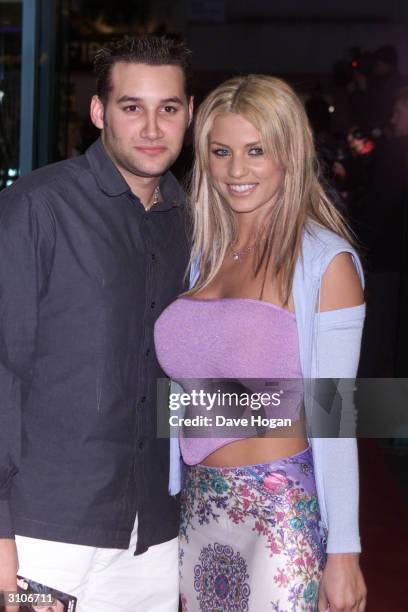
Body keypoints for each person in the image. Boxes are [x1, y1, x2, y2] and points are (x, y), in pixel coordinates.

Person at [154, 75, 367, 610]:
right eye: (221, 152)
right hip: (199, 510)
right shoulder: (203, 253)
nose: (236, 170)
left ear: (289, 154)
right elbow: (189, 394)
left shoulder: (325, 263)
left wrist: (345, 552)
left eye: (256, 151)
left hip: (280, 516)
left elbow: (334, 417)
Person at [0, 35, 193, 612]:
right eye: (132, 107)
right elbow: (3, 371)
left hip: (154, 536)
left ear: (189, 113)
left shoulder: (193, 223)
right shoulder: (38, 207)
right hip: (45, 533)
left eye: (169, 109)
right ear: (98, 112)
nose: (152, 128)